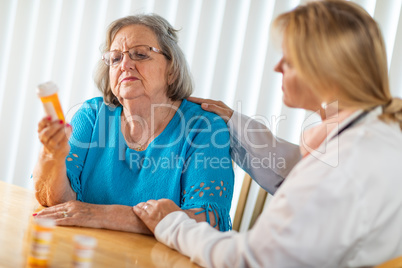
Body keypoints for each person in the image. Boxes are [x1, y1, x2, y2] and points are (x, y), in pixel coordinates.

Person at [133, 0, 402, 266]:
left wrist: (172, 224)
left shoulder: (345, 166)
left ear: (326, 67)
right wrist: (234, 121)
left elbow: (250, 260)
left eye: (290, 60)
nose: (277, 67)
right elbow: (294, 168)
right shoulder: (378, 133)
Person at [32, 14, 234, 233]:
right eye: (116, 58)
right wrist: (52, 156)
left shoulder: (203, 127)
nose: (125, 64)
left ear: (172, 70)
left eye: (140, 54)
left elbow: (207, 220)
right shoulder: (92, 115)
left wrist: (103, 215)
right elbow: (57, 202)